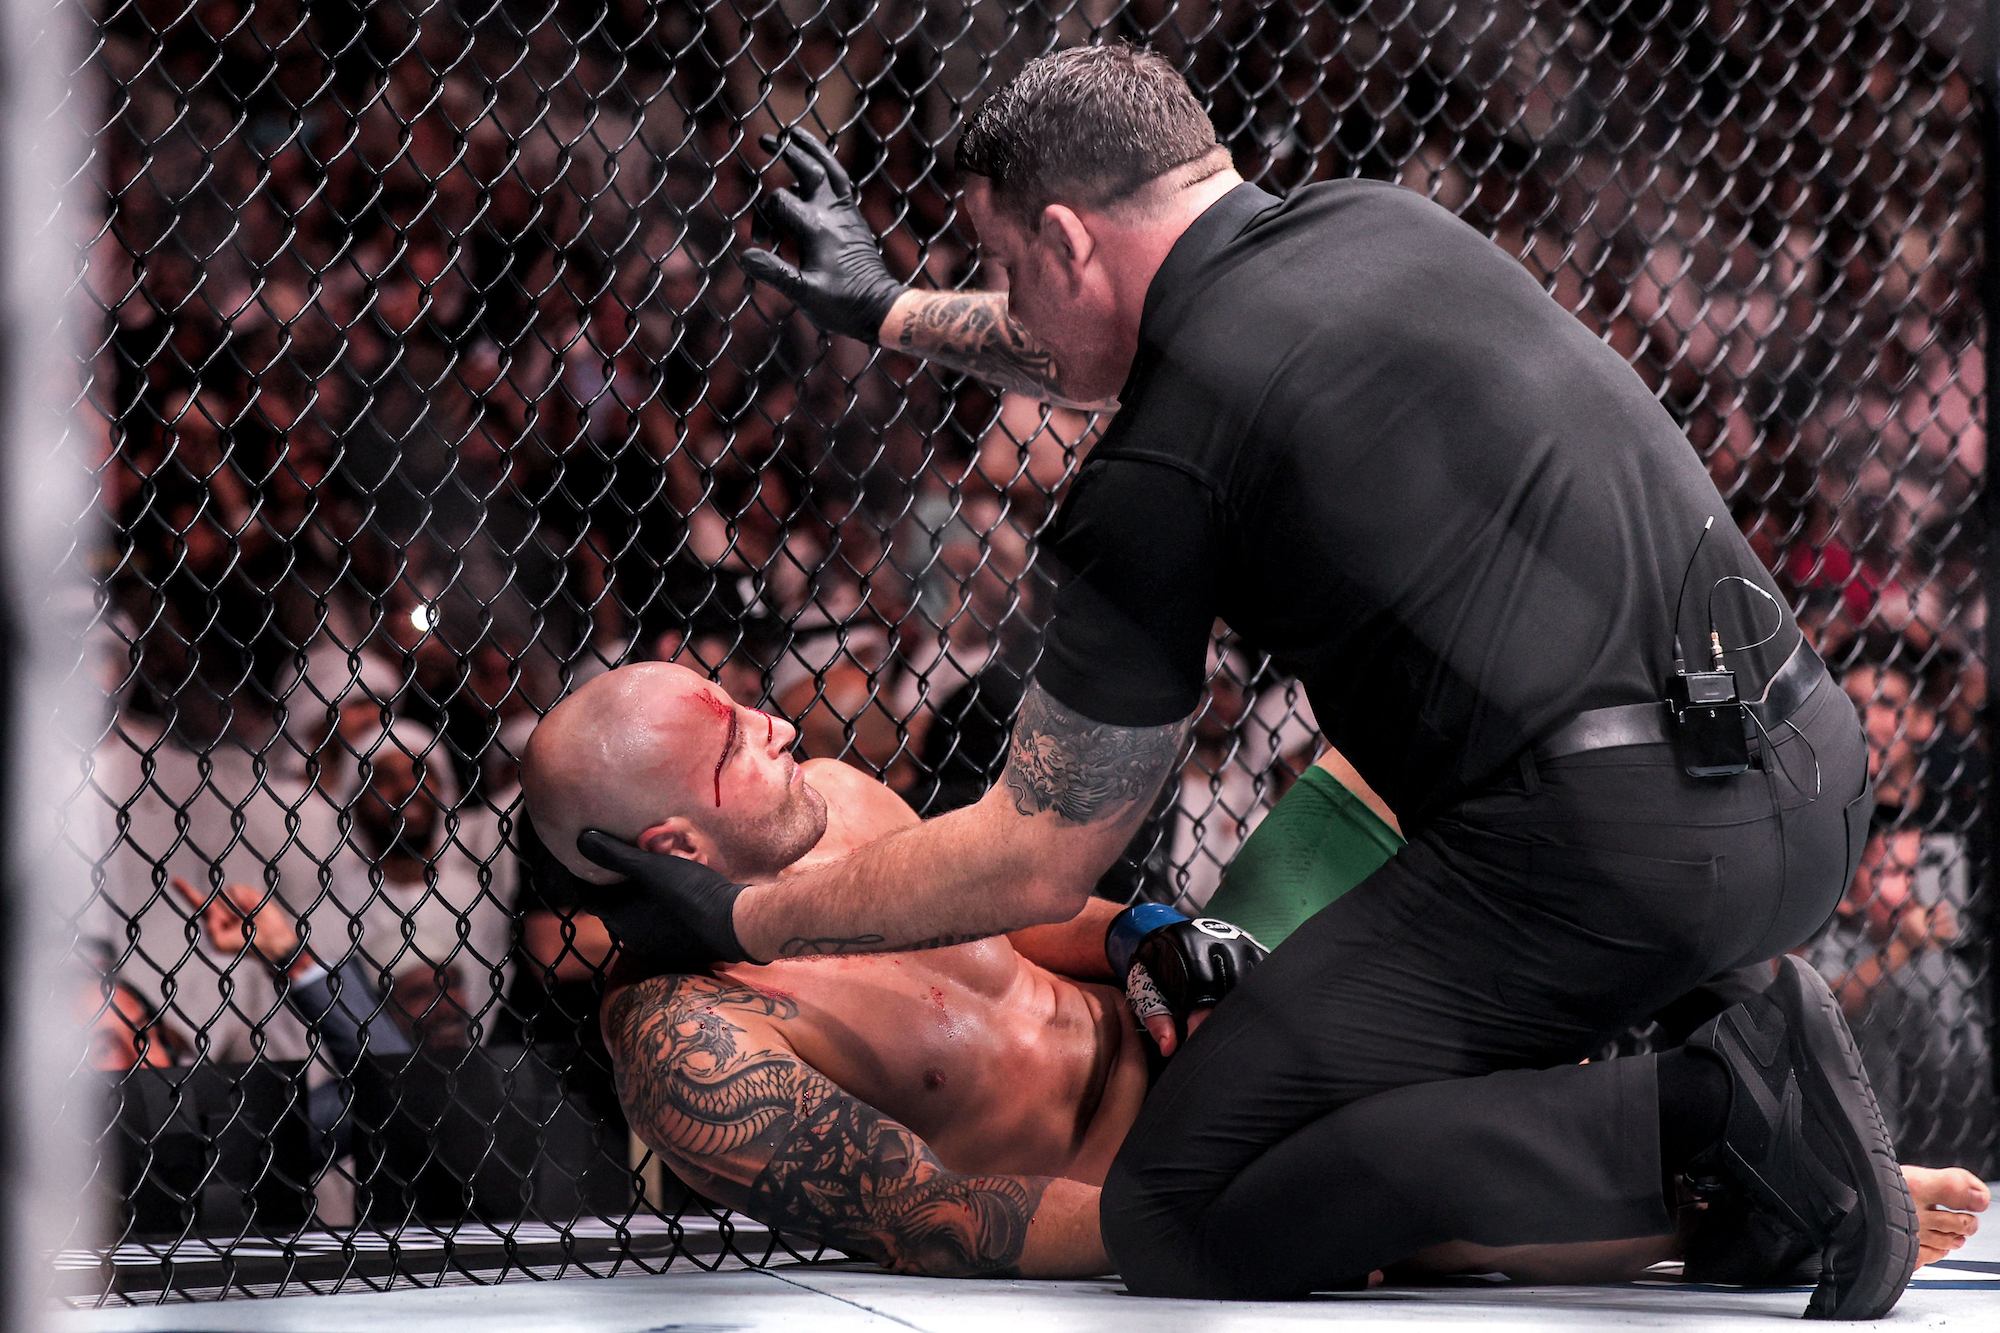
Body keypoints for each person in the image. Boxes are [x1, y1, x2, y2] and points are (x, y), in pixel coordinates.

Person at [577, 44, 1905, 1313]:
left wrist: (751, 923)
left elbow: (1040, 860)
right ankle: (1739, 1107)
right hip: (1805, 779)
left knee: (1184, 1209)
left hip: (1607, 865)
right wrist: (887, 313)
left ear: (1069, 241)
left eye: (1001, 264)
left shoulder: (1151, 481)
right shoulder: (1381, 223)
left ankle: (1719, 1108)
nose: (1008, 300)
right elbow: (1132, 338)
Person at [519, 663, 1987, 1282]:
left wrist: (1145, 936)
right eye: (732, 743)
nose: (775, 723)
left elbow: (1020, 924)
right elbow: (940, 1219)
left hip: (1204, 1020)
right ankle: (1736, 1183)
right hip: (1161, 1170)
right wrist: (1224, 1223)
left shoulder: (837, 808)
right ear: (664, 838)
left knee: (1403, 757)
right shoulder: (696, 1046)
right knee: (1391, 1176)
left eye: (744, 701)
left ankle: (1716, 1010)